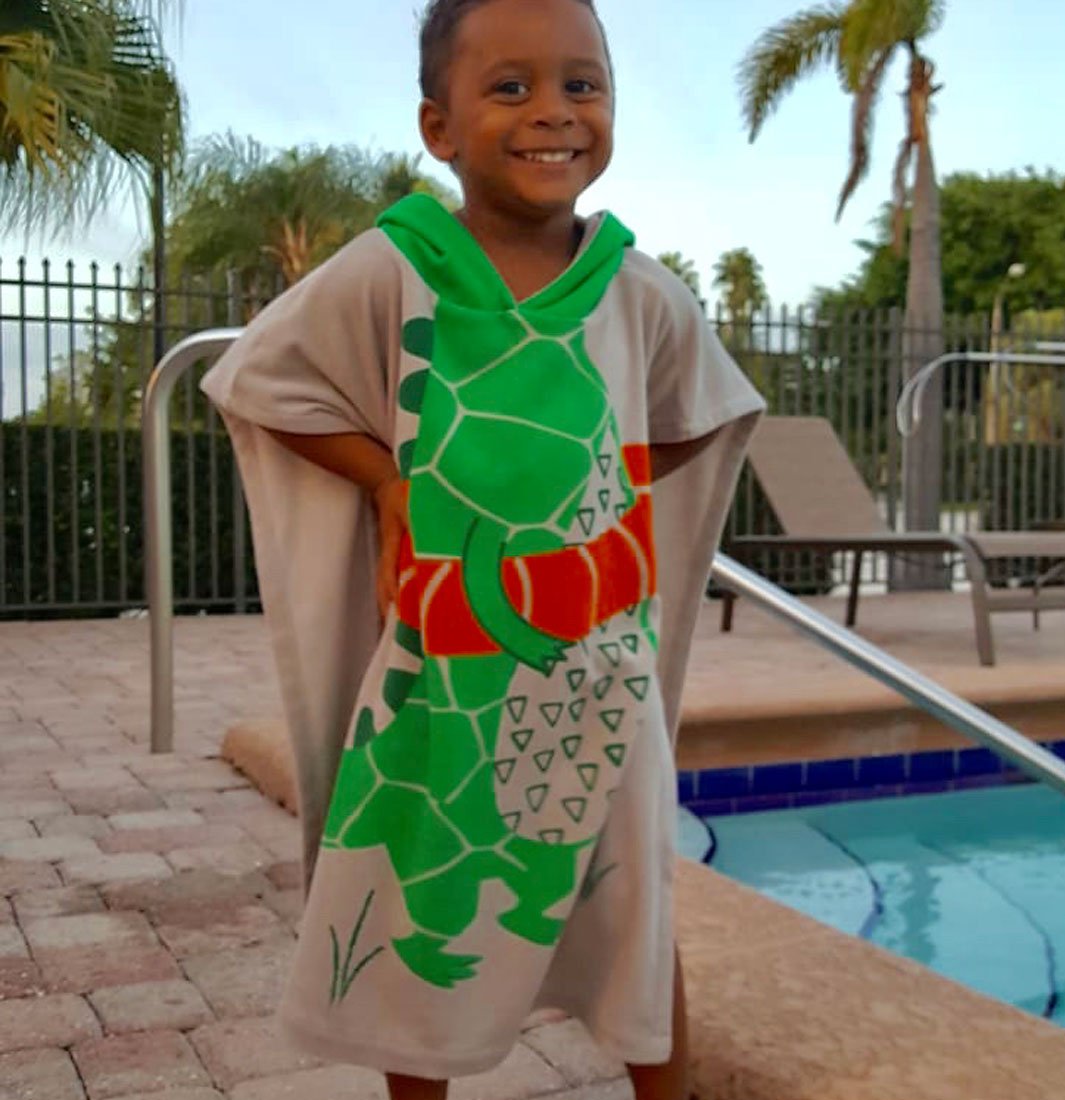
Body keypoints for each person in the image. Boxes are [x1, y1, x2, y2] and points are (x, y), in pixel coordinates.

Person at [201, 0, 764, 1097]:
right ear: (439, 126)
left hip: (599, 682)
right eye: (510, 87)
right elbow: (263, 381)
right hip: (440, 677)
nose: (554, 111)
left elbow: (707, 405)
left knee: (634, 915)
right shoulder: (395, 267)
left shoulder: (637, 290)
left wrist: (606, 493)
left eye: (582, 85)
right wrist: (388, 483)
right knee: (417, 916)